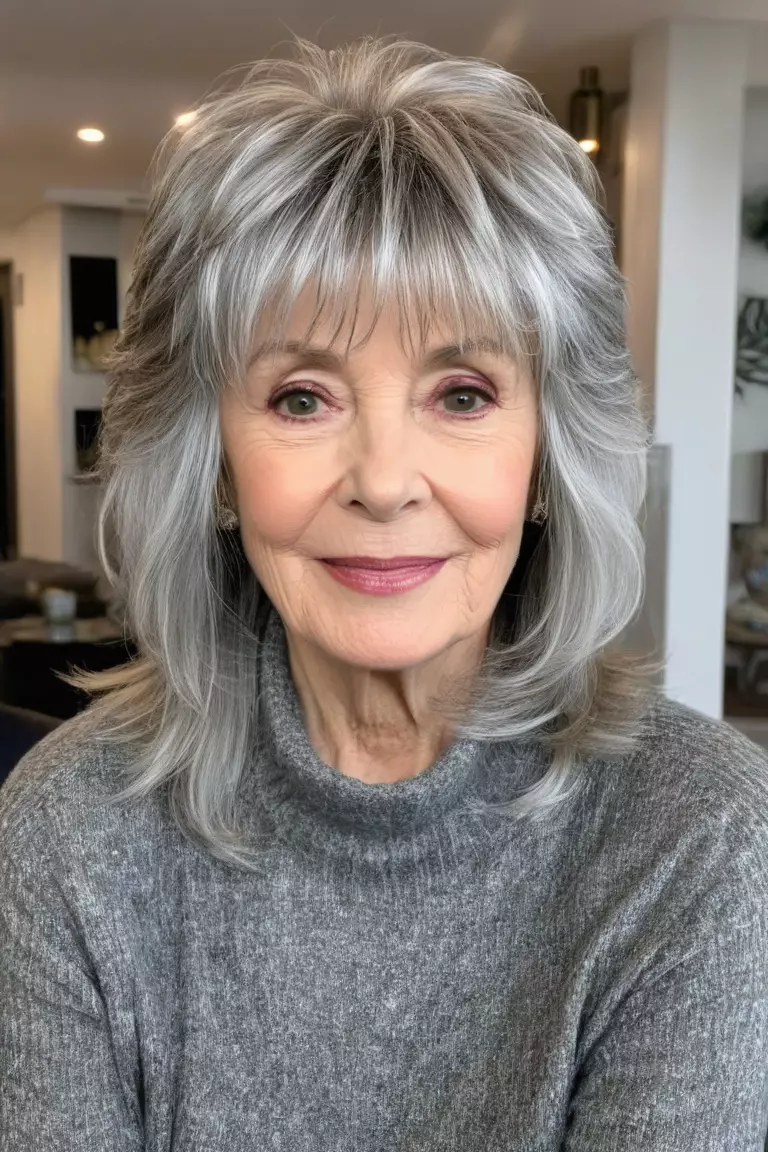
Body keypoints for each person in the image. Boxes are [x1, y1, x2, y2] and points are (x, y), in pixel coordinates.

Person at [1, 34, 767, 1152]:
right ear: (210, 461)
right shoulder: (68, 831)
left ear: (550, 453)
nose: (384, 482)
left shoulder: (699, 836)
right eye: (302, 397)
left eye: (462, 393)